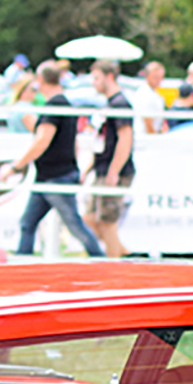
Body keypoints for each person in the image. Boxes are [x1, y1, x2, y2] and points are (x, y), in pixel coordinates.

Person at [0, 61, 103, 258]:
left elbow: (42, 141)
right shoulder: (65, 104)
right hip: (51, 175)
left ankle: (102, 261)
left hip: (55, 176)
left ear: (40, 80)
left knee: (74, 226)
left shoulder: (54, 106)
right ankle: (23, 264)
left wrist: (15, 167)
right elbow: (72, 142)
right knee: (28, 223)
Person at [84, 59, 135, 258]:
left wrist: (115, 170)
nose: (93, 83)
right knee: (89, 219)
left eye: (97, 78)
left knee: (107, 222)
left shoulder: (120, 104)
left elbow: (126, 137)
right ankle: (124, 253)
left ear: (109, 77)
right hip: (103, 168)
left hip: (114, 171)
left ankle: (116, 262)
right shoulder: (110, 104)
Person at [133, 60, 169, 134]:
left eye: (161, 77)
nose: (159, 80)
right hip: (145, 137)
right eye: (155, 77)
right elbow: (147, 122)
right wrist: (154, 138)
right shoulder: (145, 94)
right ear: (147, 76)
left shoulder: (153, 92)